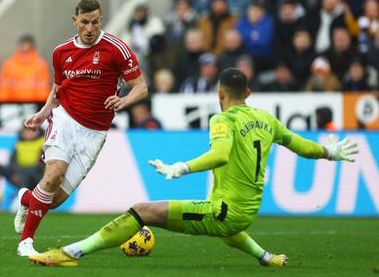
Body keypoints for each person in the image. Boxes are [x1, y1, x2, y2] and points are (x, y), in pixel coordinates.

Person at [28, 68, 359, 267]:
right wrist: (330, 153)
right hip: (245, 211)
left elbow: (221, 154)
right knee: (228, 231)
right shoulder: (266, 119)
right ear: (248, 92)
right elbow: (301, 146)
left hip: (225, 210)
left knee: (141, 211)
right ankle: (265, 257)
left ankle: (70, 253)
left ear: (219, 93)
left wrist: (182, 168)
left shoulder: (223, 118)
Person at [15, 0, 148, 256]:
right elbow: (58, 88)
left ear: (101, 20)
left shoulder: (116, 49)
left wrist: (124, 100)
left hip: (95, 132)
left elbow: (141, 87)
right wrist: (43, 114)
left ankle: (25, 199)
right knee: (53, 174)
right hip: (65, 119)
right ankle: (26, 242)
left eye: (95, 22)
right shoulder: (61, 52)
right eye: (85, 22)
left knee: (55, 200)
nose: (90, 28)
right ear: (75, 21)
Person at [0, 127, 44, 215]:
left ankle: (21, 200)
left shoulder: (43, 143)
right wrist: (15, 173)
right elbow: (12, 162)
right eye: (26, 131)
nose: (29, 133)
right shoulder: (18, 144)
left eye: (32, 131)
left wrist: (20, 172)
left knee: (27, 172)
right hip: (19, 176)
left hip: (37, 178)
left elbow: (41, 164)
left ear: (38, 132)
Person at [0, 34, 51, 102]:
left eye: (28, 49)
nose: (25, 53)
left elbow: (43, 90)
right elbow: (3, 89)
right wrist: (2, 104)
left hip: (34, 107)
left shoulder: (41, 65)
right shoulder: (9, 65)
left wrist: (41, 105)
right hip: (13, 107)